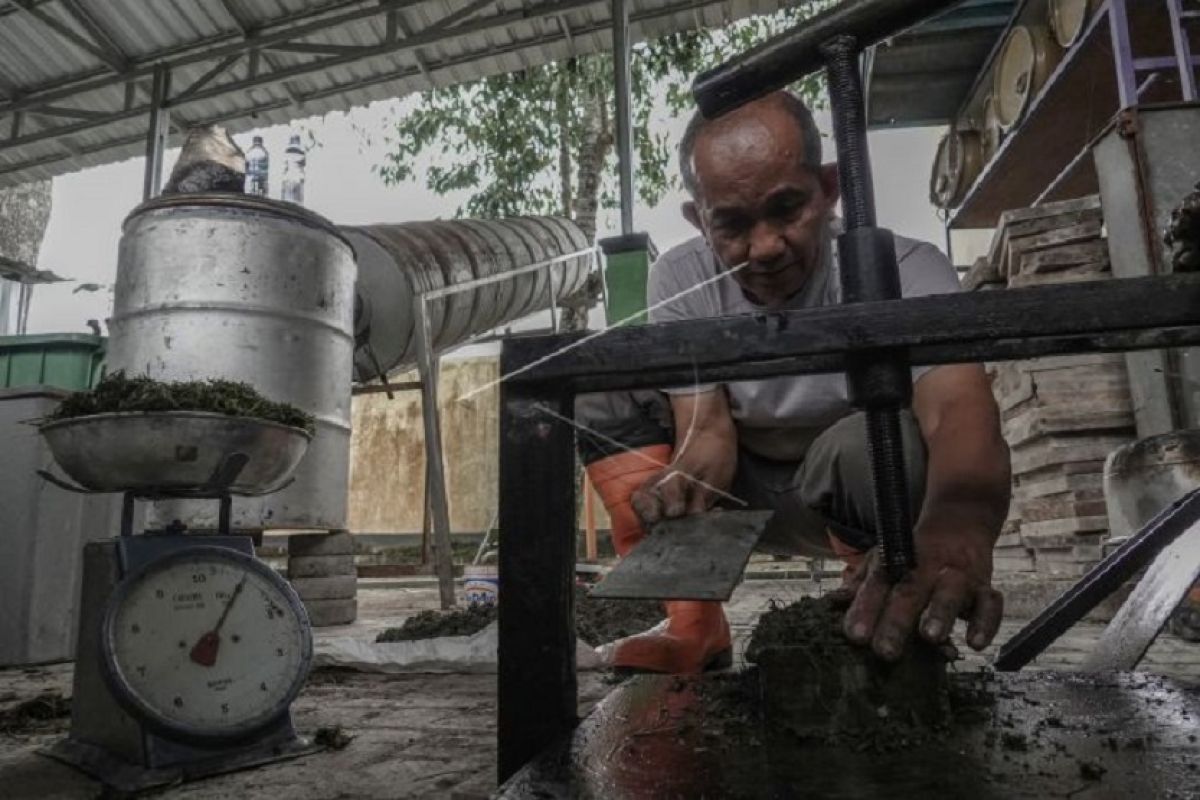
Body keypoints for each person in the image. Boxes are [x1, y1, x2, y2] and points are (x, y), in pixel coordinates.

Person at [578, 91, 1012, 674]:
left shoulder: (907, 268)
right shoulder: (680, 277)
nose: (764, 248)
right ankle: (693, 627)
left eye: (786, 209)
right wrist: (678, 485)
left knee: (879, 442)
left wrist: (959, 528)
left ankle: (876, 589)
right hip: (742, 490)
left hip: (852, 492)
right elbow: (705, 433)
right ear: (698, 219)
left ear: (829, 188)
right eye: (730, 224)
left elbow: (959, 412)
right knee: (601, 382)